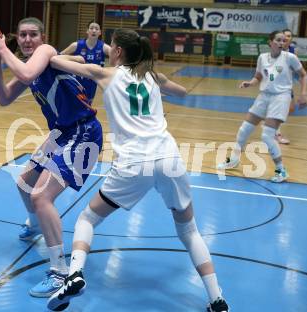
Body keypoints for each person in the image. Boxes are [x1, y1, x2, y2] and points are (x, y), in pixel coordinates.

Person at [47, 28, 229, 312]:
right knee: (190, 231)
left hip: (134, 162)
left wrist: (47, 53)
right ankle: (217, 300)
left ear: (117, 52)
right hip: (169, 157)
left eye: (112, 47)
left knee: (88, 218)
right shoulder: (152, 76)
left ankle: (74, 275)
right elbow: (180, 91)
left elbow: (59, 62)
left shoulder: (105, 74)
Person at [0, 17, 103, 297]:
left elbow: (24, 74)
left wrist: (1, 47)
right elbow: (3, 98)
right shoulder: (28, 66)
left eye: (32, 34)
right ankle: (35, 225)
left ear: (42, 36)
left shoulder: (46, 52)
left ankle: (60, 272)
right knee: (24, 182)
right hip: (61, 133)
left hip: (83, 132)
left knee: (40, 196)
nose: (26, 39)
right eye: (22, 35)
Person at [217, 30, 307, 183]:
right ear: (270, 42)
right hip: (264, 96)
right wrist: (250, 83)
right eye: (278, 40)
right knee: (244, 129)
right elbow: (259, 76)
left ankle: (281, 170)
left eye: (284, 40)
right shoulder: (262, 58)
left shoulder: (290, 58)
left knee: (267, 135)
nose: (281, 43)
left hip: (281, 98)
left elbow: (303, 75)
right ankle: (234, 159)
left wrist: (303, 94)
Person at [61, 21, 110, 104]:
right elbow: (59, 56)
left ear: (100, 32)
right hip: (76, 81)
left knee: (87, 105)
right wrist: (72, 59)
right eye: (91, 28)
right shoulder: (76, 45)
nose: (94, 30)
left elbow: (117, 55)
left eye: (96, 29)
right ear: (87, 31)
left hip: (92, 83)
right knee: (75, 105)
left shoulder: (104, 47)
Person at [275, 28, 299, 145]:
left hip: (288, 84)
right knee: (281, 110)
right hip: (277, 85)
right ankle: (277, 133)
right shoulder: (277, 49)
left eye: (289, 36)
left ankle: (271, 123)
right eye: (285, 36)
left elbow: (296, 67)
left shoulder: (292, 50)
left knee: (291, 108)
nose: (287, 38)